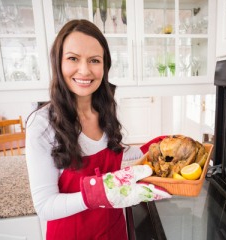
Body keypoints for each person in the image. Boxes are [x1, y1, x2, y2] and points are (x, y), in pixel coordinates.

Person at [25, 19, 171, 240]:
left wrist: (153, 148)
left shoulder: (104, 110)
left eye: (94, 60)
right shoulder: (42, 124)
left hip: (114, 232)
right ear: (58, 63)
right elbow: (45, 206)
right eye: (73, 58)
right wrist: (98, 193)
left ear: (104, 66)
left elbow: (111, 154)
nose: (84, 70)